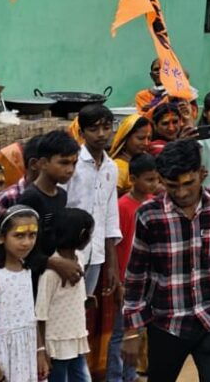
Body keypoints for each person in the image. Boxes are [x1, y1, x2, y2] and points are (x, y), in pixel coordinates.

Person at [121, 140, 210, 382]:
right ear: (161, 180)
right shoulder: (149, 215)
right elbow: (136, 275)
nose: (181, 193)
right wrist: (131, 331)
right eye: (172, 186)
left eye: (188, 183)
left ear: (202, 174)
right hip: (166, 323)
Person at [109, 157, 160, 382]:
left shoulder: (152, 203)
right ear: (133, 179)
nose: (154, 184)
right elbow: (117, 246)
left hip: (148, 278)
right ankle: (115, 377)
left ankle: (130, 375)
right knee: (121, 333)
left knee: (137, 330)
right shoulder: (123, 207)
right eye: (149, 180)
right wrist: (119, 282)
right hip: (127, 280)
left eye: (156, 179)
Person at [66, 103, 122, 297]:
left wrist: (112, 265)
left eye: (106, 128)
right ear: (82, 133)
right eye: (93, 129)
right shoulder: (72, 165)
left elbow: (110, 217)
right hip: (70, 254)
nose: (101, 134)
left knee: (84, 308)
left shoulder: (111, 167)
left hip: (96, 253)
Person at [0, 206, 41, 382]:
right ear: (1, 237)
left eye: (32, 235)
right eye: (19, 235)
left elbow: (31, 317)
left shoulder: (27, 270)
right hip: (2, 354)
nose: (27, 242)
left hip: (26, 351)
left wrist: (40, 350)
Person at [36, 207, 93, 382]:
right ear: (82, 235)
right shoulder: (50, 275)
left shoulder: (80, 259)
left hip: (75, 337)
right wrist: (43, 350)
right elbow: (40, 314)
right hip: (57, 343)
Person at [18, 131, 80, 287]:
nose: (70, 169)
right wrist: (55, 263)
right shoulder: (31, 197)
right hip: (31, 278)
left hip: (51, 277)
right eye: (64, 163)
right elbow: (21, 247)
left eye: (74, 163)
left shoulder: (62, 196)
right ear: (43, 163)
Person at [111, 115, 152, 194]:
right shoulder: (119, 167)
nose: (146, 143)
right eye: (140, 138)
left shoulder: (146, 159)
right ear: (126, 138)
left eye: (149, 138)